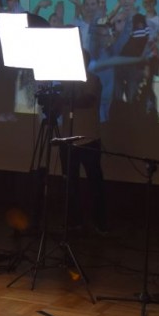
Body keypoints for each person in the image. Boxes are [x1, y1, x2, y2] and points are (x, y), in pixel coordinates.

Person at [58, 51, 107, 234]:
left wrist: (63, 99)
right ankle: (74, 222)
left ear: (86, 62)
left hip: (89, 139)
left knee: (95, 183)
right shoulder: (65, 82)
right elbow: (58, 107)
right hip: (67, 140)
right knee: (69, 184)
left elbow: (86, 101)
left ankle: (100, 223)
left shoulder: (92, 79)